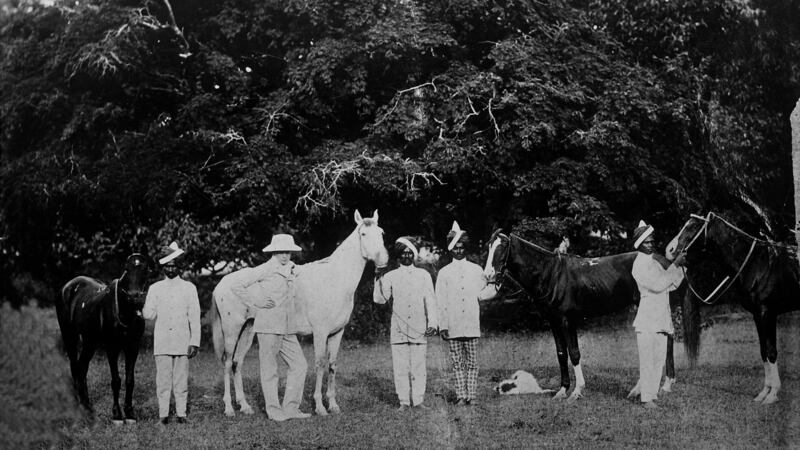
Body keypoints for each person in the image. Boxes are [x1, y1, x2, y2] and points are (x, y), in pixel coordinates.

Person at [221, 234, 310, 421]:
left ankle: (291, 408)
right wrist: (256, 300)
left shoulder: (292, 269)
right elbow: (237, 285)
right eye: (280, 252)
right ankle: (274, 411)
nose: (285, 256)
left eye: (288, 252)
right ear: (274, 252)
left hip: (287, 327)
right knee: (270, 370)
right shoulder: (266, 269)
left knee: (300, 365)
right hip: (268, 326)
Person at [435, 221, 498, 406]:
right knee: (457, 363)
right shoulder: (444, 273)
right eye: (455, 248)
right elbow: (441, 301)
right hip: (453, 325)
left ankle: (472, 395)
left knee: (472, 362)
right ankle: (461, 396)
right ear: (450, 250)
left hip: (471, 324)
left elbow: (485, 293)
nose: (459, 251)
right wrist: (443, 325)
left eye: (462, 248)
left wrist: (494, 283)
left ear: (466, 249)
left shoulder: (476, 270)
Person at [374, 237, 438, 411]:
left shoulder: (423, 275)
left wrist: (432, 322)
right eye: (404, 253)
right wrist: (378, 279)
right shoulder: (390, 276)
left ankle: (418, 400)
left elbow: (430, 300)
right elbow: (380, 299)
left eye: (410, 253)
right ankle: (403, 401)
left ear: (414, 255)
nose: (407, 256)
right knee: (401, 367)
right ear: (398, 256)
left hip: (419, 327)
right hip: (399, 328)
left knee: (418, 366)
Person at [629, 220, 686, 409]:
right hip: (647, 320)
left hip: (661, 317)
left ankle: (651, 395)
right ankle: (646, 398)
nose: (651, 244)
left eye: (652, 241)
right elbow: (658, 284)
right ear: (639, 244)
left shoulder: (654, 262)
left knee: (659, 360)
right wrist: (674, 266)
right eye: (647, 242)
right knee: (647, 360)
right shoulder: (639, 265)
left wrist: (681, 267)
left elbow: (671, 284)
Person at [142, 242, 201, 425]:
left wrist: (195, 341)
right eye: (167, 266)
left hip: (182, 341)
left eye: (174, 265)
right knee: (163, 380)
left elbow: (194, 318)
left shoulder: (189, 288)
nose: (170, 269)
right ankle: (163, 415)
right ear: (163, 268)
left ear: (179, 267)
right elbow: (149, 314)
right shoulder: (155, 288)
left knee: (181, 380)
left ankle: (181, 414)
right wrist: (139, 305)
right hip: (162, 341)